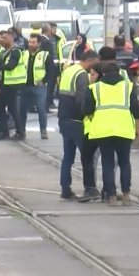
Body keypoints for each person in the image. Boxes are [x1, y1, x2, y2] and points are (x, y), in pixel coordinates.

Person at [84, 62, 139, 206]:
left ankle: (111, 197)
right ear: (120, 72)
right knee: (124, 162)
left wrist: (96, 118)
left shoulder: (94, 88)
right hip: (124, 128)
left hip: (103, 130)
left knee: (107, 163)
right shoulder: (128, 87)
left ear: (102, 73)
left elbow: (87, 110)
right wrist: (138, 129)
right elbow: (136, 110)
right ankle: (127, 195)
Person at [58, 50, 99, 200]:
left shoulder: (69, 71)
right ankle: (89, 188)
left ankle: (65, 188)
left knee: (68, 156)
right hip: (77, 121)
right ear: (91, 60)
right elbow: (81, 100)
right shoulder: (82, 75)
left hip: (64, 119)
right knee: (86, 155)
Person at [0, 30, 26, 140]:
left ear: (11, 38)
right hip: (3, 84)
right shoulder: (4, 52)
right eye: (0, 37)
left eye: (4, 38)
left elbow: (11, 66)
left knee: (12, 109)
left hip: (12, 85)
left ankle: (20, 132)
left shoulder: (16, 51)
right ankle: (3, 131)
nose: (1, 40)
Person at [19, 34, 50, 139]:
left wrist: (44, 81)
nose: (31, 44)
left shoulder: (44, 55)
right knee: (22, 110)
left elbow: (51, 70)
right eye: (29, 42)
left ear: (39, 43)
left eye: (33, 42)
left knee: (41, 109)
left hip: (39, 87)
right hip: (25, 86)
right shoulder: (24, 54)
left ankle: (43, 131)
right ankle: (21, 131)